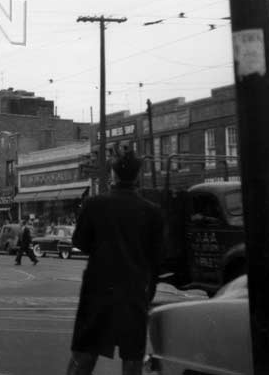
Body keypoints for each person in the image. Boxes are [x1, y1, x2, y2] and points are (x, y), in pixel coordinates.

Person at [66, 147, 164, 375]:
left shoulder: (94, 205)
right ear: (137, 176)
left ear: (113, 175)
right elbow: (157, 258)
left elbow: (80, 241)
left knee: (84, 356)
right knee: (132, 359)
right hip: (133, 293)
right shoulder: (152, 212)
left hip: (98, 291)